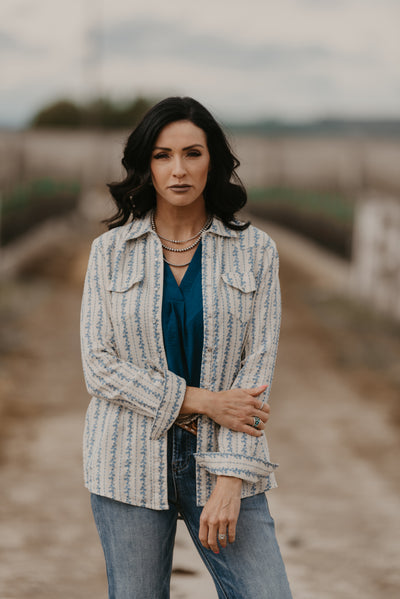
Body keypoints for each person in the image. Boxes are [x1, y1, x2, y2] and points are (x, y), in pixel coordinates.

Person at [80, 96, 293, 599]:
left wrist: (231, 478)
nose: (178, 170)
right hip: (125, 461)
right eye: (161, 155)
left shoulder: (256, 250)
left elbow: (255, 376)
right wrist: (202, 401)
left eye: (192, 153)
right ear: (145, 166)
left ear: (212, 160)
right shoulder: (109, 253)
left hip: (222, 457)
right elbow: (98, 366)